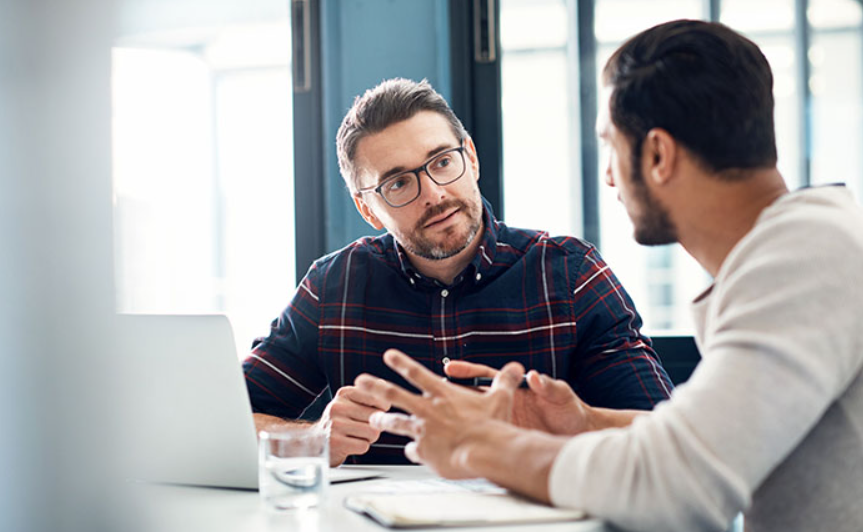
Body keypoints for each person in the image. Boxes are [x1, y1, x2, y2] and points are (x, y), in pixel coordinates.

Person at [355, 20, 863, 532]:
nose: (608, 175)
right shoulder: (802, 249)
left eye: (610, 145)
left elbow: (675, 484)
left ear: (659, 155)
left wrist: (483, 448)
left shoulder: (807, 257)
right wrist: (587, 422)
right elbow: (710, 439)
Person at [243, 78, 672, 466]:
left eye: (443, 161)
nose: (433, 192)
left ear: (471, 157)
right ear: (367, 208)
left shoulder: (572, 274)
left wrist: (570, 423)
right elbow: (226, 422)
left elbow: (664, 438)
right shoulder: (331, 288)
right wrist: (311, 438)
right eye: (398, 183)